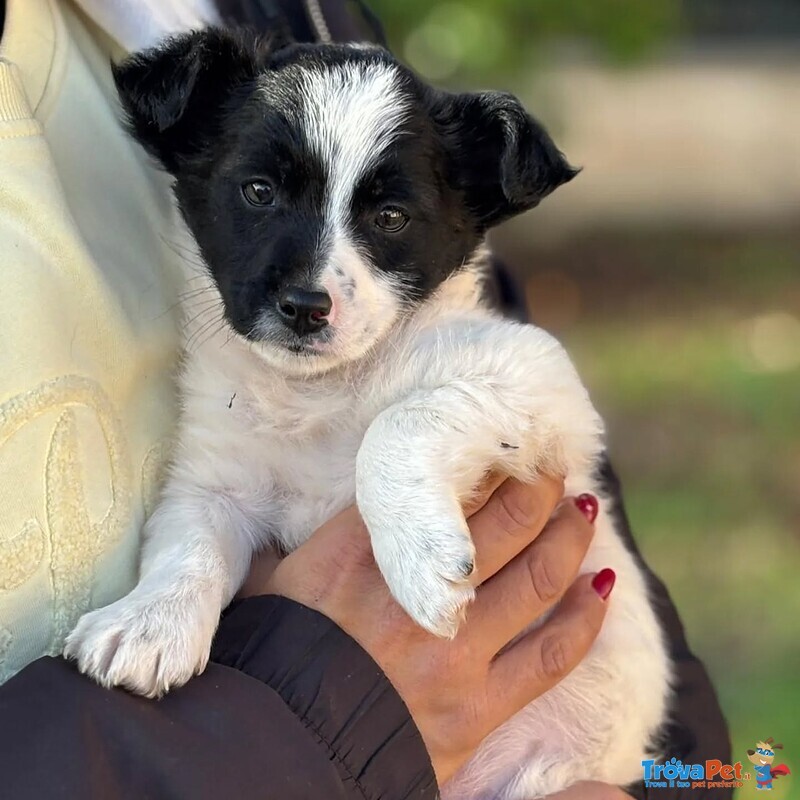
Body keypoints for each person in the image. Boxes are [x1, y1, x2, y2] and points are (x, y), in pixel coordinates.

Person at [0, 0, 730, 797]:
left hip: (569, 753)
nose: (315, 283)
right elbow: (215, 498)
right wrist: (178, 598)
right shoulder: (227, 379)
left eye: (385, 216)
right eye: (261, 193)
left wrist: (404, 466)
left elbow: (546, 396)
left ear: (462, 217)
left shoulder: (449, 343)